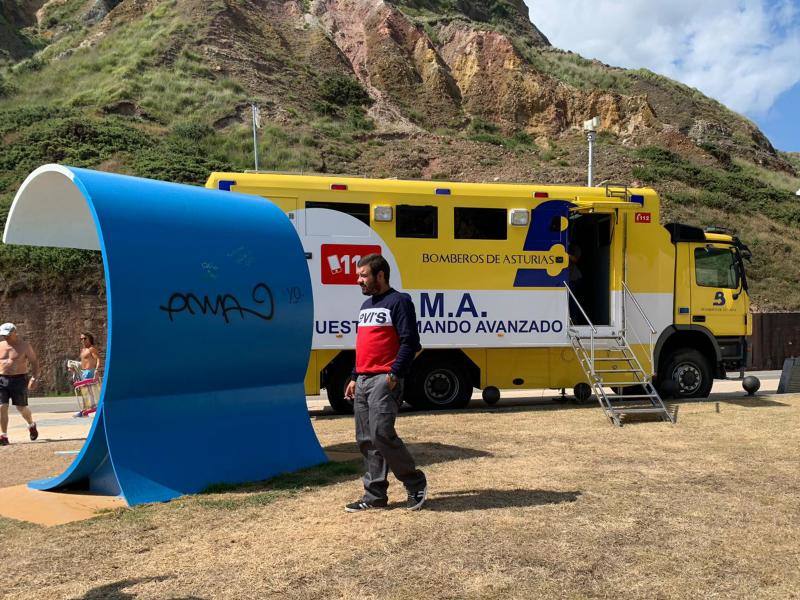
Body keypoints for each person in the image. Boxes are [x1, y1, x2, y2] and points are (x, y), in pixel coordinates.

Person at [343, 254, 428, 511]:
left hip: (384, 378)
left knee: (381, 433)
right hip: (364, 378)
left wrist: (393, 374)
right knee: (366, 439)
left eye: (364, 275)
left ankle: (415, 483)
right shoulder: (366, 306)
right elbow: (364, 346)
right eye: (359, 276)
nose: (359, 280)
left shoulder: (399, 301)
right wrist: (355, 376)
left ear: (380, 275)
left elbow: (410, 341)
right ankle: (375, 496)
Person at [0, 323, 40, 445]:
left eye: (7, 334)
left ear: (14, 332)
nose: (4, 337)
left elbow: (34, 362)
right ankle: (4, 436)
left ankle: (31, 424)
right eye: (3, 334)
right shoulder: (1, 345)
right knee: (1, 407)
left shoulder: (24, 346)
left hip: (19, 379)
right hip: (2, 379)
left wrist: (34, 378)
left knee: (21, 408)